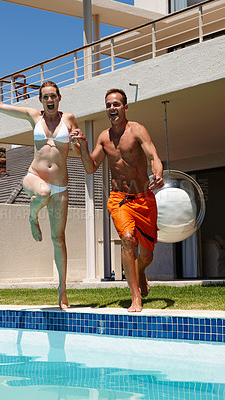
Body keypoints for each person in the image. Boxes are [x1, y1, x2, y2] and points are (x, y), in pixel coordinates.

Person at [0, 75, 80, 310]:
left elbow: (76, 146)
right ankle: (32, 216)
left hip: (61, 185)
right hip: (34, 178)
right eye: (45, 97)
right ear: (41, 100)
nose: (49, 100)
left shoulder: (70, 119)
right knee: (43, 192)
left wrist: (78, 142)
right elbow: (0, 106)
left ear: (59, 98)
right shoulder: (33, 116)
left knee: (59, 239)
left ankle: (62, 290)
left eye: (53, 96)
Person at [71, 88, 164, 312]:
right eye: (108, 105)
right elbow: (90, 167)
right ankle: (135, 298)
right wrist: (83, 146)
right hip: (119, 199)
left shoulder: (137, 130)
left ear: (125, 107)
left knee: (147, 254)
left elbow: (154, 156)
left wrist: (158, 174)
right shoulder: (104, 138)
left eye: (116, 104)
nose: (112, 108)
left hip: (143, 198)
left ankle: (140, 271)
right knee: (128, 239)